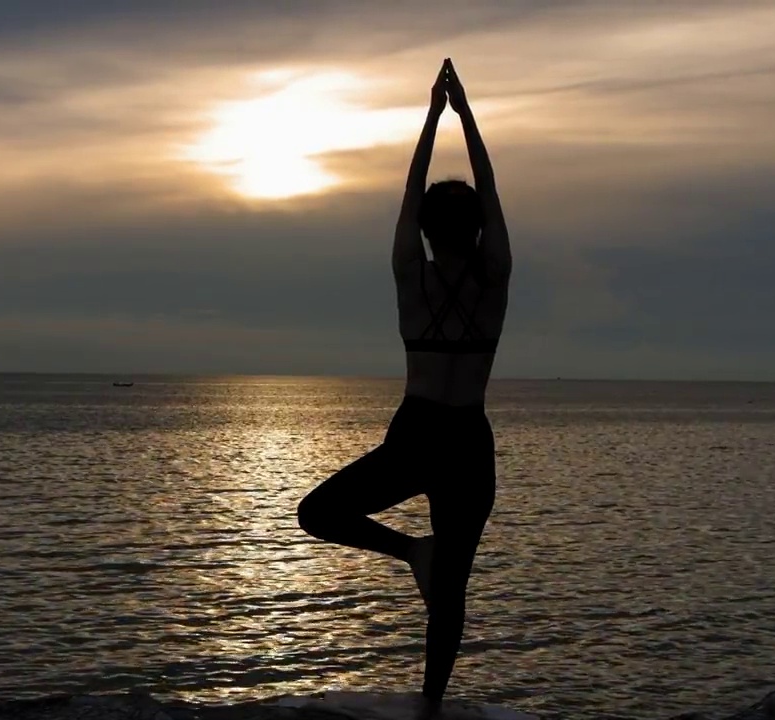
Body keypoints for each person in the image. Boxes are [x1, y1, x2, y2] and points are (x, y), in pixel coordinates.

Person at [296, 57, 511, 718]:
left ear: (422, 230)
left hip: (418, 432)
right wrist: (465, 114)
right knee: (452, 590)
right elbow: (491, 187)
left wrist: (432, 115)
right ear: (475, 230)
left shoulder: (409, 279)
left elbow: (413, 190)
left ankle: (410, 551)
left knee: (318, 513)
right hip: (466, 440)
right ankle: (431, 704)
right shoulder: (495, 279)